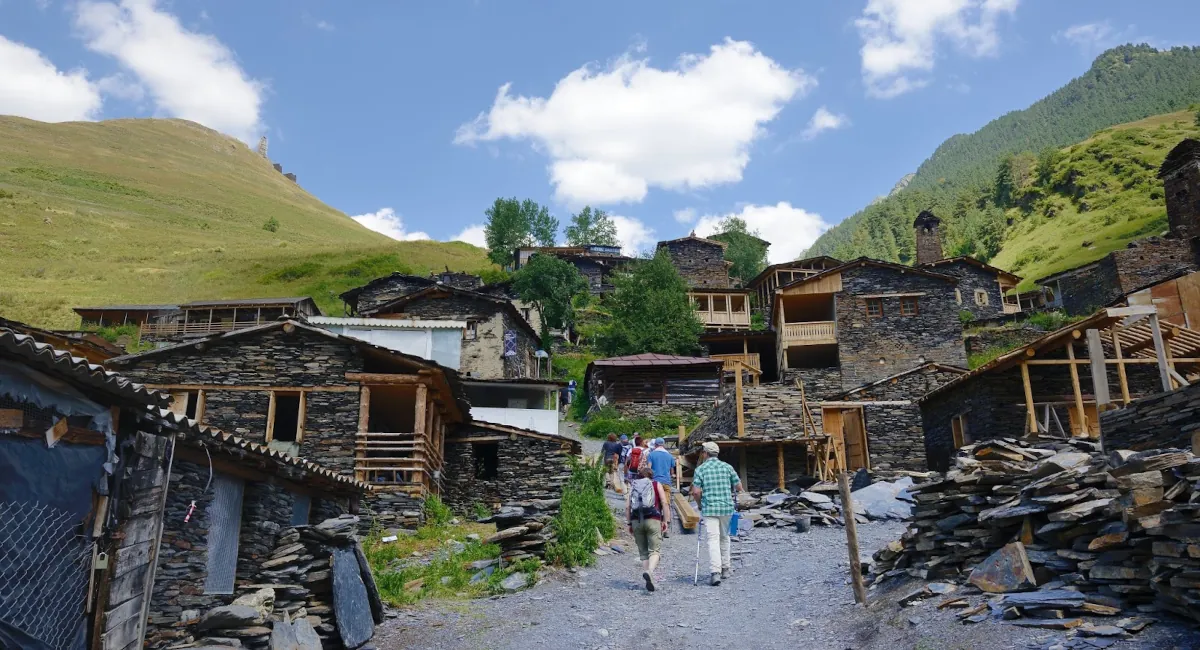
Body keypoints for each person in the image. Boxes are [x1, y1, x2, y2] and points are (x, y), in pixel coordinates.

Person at [691, 441, 744, 586]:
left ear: (705, 454)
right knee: (724, 537)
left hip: (709, 509)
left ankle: (715, 572)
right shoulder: (727, 467)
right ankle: (726, 568)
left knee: (712, 539)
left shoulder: (701, 469)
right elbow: (739, 487)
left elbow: (696, 491)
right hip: (726, 508)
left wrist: (700, 504)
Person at [626, 464, 670, 592]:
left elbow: (628, 506)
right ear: (652, 476)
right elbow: (664, 502)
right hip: (653, 519)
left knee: (643, 553)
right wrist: (666, 520)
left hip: (636, 521)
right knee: (655, 551)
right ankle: (650, 572)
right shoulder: (656, 484)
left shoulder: (633, 485)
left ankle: (648, 576)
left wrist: (629, 523)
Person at [646, 438, 677, 537]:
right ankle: (666, 527)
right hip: (666, 483)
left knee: (656, 504)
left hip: (655, 482)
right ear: (663, 445)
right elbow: (672, 472)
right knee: (666, 504)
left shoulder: (651, 454)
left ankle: (656, 526)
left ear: (655, 445)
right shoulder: (670, 456)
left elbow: (649, 469)